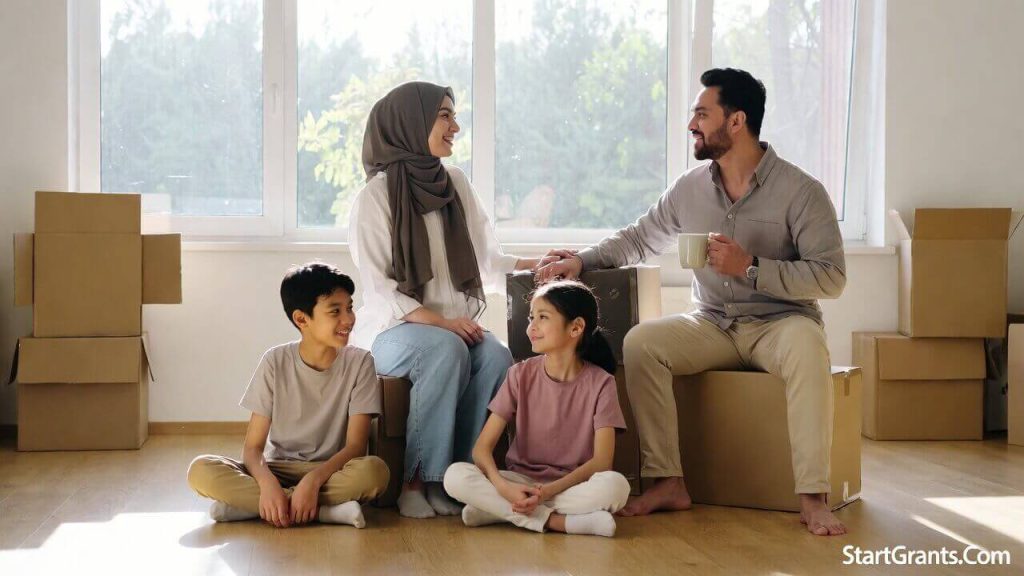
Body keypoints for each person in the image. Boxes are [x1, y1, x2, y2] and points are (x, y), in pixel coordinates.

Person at [535, 68, 848, 536]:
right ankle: (667, 482)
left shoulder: (801, 192)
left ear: (737, 120)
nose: (691, 125)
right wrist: (579, 262)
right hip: (712, 322)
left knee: (808, 348)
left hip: (781, 321)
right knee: (643, 343)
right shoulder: (690, 187)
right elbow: (639, 238)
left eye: (702, 114)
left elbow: (832, 277)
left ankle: (812, 496)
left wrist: (751, 266)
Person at [349, 81, 541, 518]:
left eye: (454, 115)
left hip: (452, 331)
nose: (456, 125)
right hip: (394, 332)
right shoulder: (375, 197)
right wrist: (442, 323)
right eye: (444, 115)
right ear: (410, 123)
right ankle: (417, 480)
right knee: (445, 349)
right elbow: (383, 291)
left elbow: (489, 262)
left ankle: (462, 477)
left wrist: (540, 263)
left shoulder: (455, 183)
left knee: (495, 356)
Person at [186, 263, 389, 528]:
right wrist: (268, 484)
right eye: (335, 311)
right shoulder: (274, 361)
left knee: (375, 472)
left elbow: (355, 448)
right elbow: (253, 448)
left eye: (349, 308)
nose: (348, 319)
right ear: (302, 319)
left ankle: (259, 508)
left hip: (331, 472)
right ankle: (323, 511)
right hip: (278, 468)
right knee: (201, 470)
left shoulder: (361, 362)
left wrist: (313, 481)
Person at [443, 280, 631, 537]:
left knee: (616, 486)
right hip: (519, 482)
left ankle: (497, 511)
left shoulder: (602, 383)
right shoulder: (519, 374)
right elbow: (481, 449)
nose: (531, 326)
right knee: (455, 476)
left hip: (569, 484)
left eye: (543, 317)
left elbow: (602, 462)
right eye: (532, 317)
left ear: (576, 327)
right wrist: (504, 488)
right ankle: (558, 522)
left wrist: (547, 493)